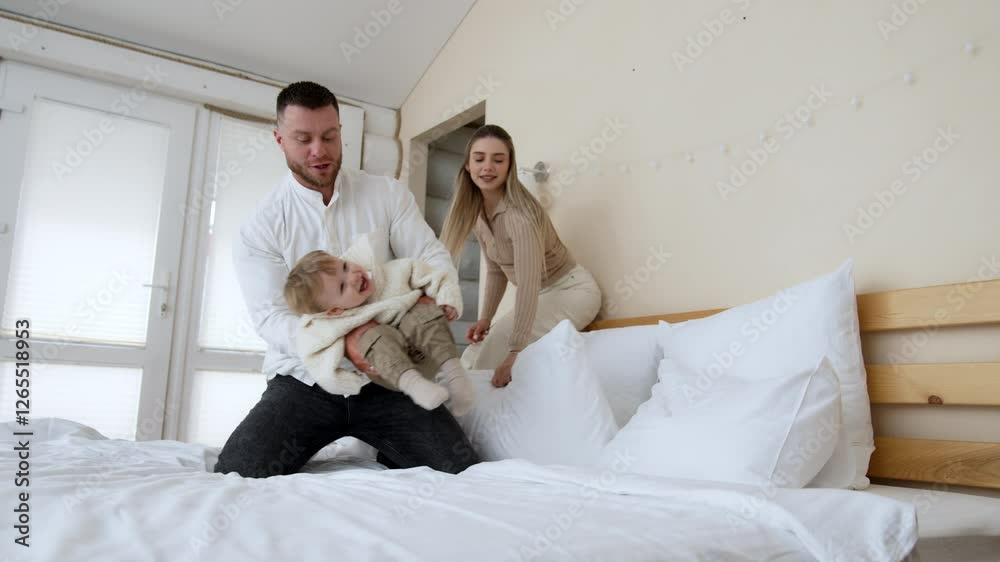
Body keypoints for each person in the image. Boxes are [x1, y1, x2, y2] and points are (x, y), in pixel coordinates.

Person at [214, 81, 478, 478]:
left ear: (342, 133)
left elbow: (430, 256)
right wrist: (345, 340)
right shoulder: (261, 227)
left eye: (329, 136)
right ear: (279, 139)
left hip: (392, 379)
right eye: (302, 139)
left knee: (460, 470)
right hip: (305, 381)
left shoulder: (387, 195)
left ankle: (388, 448)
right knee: (237, 472)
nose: (318, 150)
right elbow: (271, 319)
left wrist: (432, 297)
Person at [440, 125, 602, 388]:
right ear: (468, 166)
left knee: (497, 346)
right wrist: (485, 319)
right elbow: (495, 270)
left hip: (573, 291)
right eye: (479, 159)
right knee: (476, 351)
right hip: (542, 294)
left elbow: (527, 285)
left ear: (509, 166)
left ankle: (472, 415)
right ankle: (459, 409)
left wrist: (515, 352)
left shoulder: (520, 217)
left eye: (498, 159)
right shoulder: (479, 212)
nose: (487, 167)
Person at [283, 247, 475, 415]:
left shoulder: (391, 274)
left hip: (430, 350)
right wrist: (348, 382)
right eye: (342, 286)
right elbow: (317, 360)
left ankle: (457, 378)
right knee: (370, 336)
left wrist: (448, 300)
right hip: (391, 372)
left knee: (419, 310)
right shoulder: (333, 324)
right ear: (334, 310)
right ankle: (417, 387)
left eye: (345, 266)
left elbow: (435, 275)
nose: (353, 277)